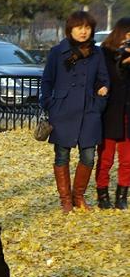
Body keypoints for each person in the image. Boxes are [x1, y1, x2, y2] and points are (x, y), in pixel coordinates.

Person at [40, 11, 110, 213]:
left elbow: (104, 79)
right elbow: (47, 81)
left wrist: (101, 95)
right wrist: (49, 103)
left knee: (88, 156)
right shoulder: (57, 52)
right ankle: (65, 200)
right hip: (62, 111)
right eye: (79, 27)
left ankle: (78, 196)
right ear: (70, 29)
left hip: (89, 111)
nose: (83, 32)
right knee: (62, 156)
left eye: (87, 28)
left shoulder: (97, 53)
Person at [96, 17, 130, 210]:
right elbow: (108, 79)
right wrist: (123, 61)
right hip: (110, 114)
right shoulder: (105, 54)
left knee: (127, 160)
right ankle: (103, 195)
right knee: (106, 158)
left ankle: (122, 196)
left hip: (127, 112)